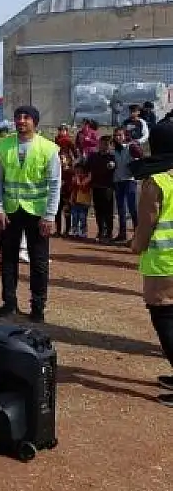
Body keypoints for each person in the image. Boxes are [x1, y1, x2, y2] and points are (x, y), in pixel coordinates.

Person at [0, 105, 62, 322]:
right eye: (18, 117)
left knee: (38, 261)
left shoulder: (49, 149)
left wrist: (50, 215)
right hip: (10, 211)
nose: (21, 121)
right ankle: (9, 302)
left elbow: (55, 184)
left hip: (37, 214)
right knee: (8, 259)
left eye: (26, 117)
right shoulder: (3, 145)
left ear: (35, 122)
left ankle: (38, 307)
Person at [128, 121, 173, 405]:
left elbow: (147, 223)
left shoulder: (157, 181)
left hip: (165, 263)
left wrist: (136, 245)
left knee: (165, 319)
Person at [112, 127, 143, 243]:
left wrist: (135, 146)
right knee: (121, 208)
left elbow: (140, 155)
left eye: (120, 135)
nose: (118, 137)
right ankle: (122, 233)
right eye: (116, 135)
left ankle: (137, 234)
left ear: (125, 136)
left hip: (130, 180)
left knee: (132, 208)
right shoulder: (114, 150)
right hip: (118, 180)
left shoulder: (130, 147)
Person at [88, 135, 117, 243]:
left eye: (106, 144)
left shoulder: (113, 157)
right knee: (98, 210)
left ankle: (109, 233)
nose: (103, 146)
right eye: (101, 143)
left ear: (110, 145)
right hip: (96, 186)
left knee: (108, 211)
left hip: (108, 187)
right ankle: (100, 231)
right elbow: (86, 167)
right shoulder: (93, 156)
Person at [70, 161, 92, 239]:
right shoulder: (74, 178)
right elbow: (73, 190)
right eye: (76, 171)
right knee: (75, 216)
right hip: (76, 200)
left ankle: (83, 231)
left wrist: (78, 179)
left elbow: (82, 186)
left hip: (84, 202)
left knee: (83, 217)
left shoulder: (86, 178)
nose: (77, 172)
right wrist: (71, 199)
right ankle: (74, 230)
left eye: (79, 171)